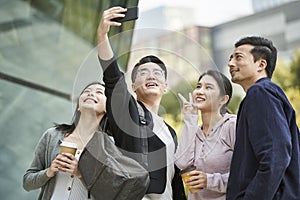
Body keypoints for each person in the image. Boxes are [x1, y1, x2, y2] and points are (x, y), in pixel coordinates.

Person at [97, 6, 186, 200]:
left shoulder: (170, 132)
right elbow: (113, 78)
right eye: (143, 73)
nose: (151, 76)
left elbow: (174, 179)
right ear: (134, 85)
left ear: (165, 86)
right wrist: (102, 36)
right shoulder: (127, 114)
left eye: (157, 73)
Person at [226, 36, 300, 199]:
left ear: (261, 64)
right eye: (230, 58)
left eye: (238, 57)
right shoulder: (266, 93)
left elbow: (276, 155)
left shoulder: (261, 93)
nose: (231, 63)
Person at [23, 82, 107, 200]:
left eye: (99, 92)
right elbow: (27, 183)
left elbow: (109, 194)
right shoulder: (52, 135)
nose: (91, 94)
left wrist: (80, 173)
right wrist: (49, 171)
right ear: (78, 105)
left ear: (108, 108)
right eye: (87, 91)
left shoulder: (110, 146)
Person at [175, 70, 237, 200]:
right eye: (198, 86)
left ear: (223, 99)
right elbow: (182, 163)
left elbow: (246, 173)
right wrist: (190, 121)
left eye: (208, 87)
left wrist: (209, 180)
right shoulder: (194, 131)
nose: (200, 91)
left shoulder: (232, 126)